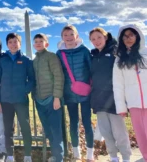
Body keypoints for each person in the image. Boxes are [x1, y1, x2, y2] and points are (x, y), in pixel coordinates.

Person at [89, 28, 131, 162]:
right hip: (99, 100)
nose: (96, 41)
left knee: (120, 132)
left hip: (114, 100)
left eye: (99, 37)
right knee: (106, 132)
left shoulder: (116, 53)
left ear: (105, 37)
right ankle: (113, 157)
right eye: (93, 39)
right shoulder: (94, 56)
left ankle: (126, 157)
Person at [0, 33, 35, 162]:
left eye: (15, 41)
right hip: (5, 101)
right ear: (7, 44)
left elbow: (32, 79)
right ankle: (9, 155)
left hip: (21, 100)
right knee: (8, 129)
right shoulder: (2, 60)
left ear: (19, 44)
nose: (13, 44)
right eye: (10, 42)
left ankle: (28, 155)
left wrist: (24, 91)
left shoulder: (26, 60)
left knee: (25, 127)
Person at [56, 25, 94, 162]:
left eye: (71, 34)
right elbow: (58, 73)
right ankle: (76, 152)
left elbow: (91, 70)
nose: (69, 38)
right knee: (73, 123)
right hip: (69, 93)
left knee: (87, 122)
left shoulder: (84, 51)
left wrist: (92, 88)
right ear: (62, 38)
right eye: (65, 35)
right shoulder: (60, 53)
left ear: (76, 36)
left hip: (85, 93)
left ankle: (90, 153)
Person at [113, 24, 147, 161]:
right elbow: (118, 85)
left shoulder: (145, 54)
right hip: (134, 104)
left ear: (137, 36)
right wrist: (121, 107)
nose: (128, 38)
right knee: (141, 136)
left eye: (131, 35)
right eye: (125, 36)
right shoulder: (119, 59)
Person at [33, 33, 64, 162]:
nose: (38, 43)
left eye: (41, 41)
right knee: (48, 129)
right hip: (39, 101)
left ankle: (59, 157)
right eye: (36, 41)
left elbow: (59, 76)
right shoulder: (34, 61)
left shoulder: (51, 57)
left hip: (52, 99)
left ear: (47, 43)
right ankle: (55, 155)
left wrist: (57, 97)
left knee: (56, 129)